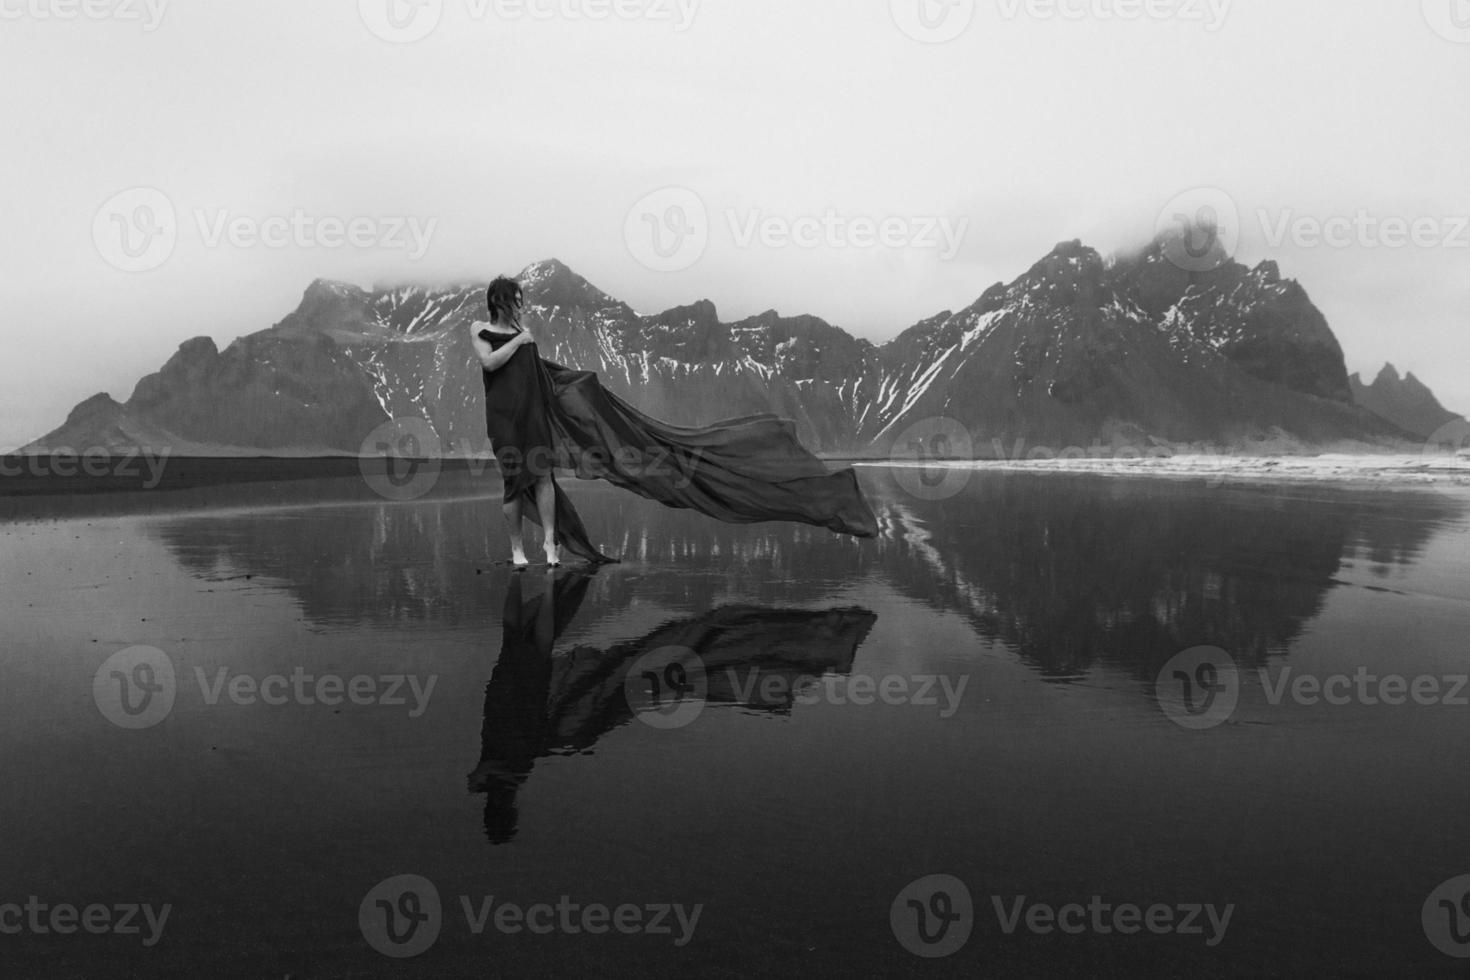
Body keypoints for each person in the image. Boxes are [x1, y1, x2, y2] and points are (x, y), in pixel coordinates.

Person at [470, 275, 879, 567]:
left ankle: (550, 546)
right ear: (503, 301)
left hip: (533, 415)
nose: (524, 305)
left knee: (541, 478)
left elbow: (537, 375)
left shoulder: (526, 333)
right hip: (503, 419)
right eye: (518, 299)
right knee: (513, 483)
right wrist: (522, 340)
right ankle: (517, 551)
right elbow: (489, 363)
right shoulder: (482, 330)